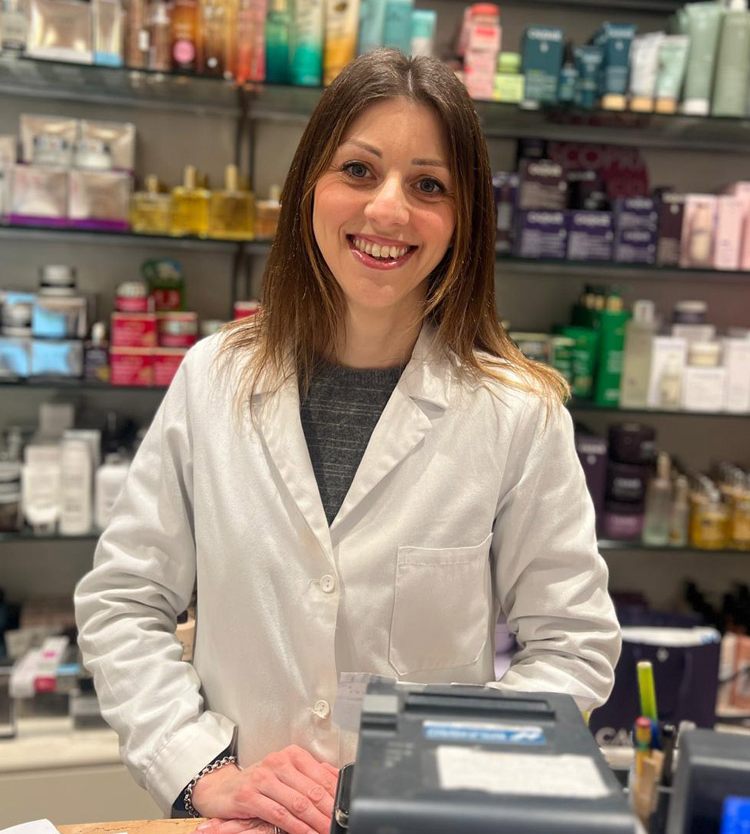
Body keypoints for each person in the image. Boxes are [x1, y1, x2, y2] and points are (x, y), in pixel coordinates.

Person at [75, 50, 620, 834]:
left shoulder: (518, 415)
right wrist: (201, 769)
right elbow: (124, 601)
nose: (388, 209)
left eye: (429, 185)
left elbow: (573, 647)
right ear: (309, 187)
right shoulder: (212, 378)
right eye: (359, 170)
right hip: (245, 822)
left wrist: (421, 787)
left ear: (465, 217)